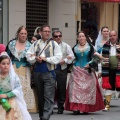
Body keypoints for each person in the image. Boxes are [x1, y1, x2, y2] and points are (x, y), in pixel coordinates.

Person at [26, 24, 62, 120]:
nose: (47, 33)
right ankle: (42, 116)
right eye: (45, 31)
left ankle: (45, 117)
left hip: (49, 72)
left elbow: (58, 57)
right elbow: (28, 55)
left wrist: (46, 59)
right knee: (40, 96)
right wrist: (35, 58)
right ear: (40, 32)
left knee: (48, 96)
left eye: (48, 31)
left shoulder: (54, 44)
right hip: (37, 73)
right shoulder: (35, 43)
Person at [65, 31, 104, 115]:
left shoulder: (91, 47)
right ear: (77, 38)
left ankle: (86, 107)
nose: (81, 38)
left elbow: (97, 58)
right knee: (75, 89)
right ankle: (76, 108)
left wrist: (90, 64)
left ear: (85, 37)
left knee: (86, 90)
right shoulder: (74, 48)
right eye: (79, 36)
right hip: (76, 70)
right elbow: (72, 58)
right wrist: (68, 58)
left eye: (83, 36)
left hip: (87, 71)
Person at [6, 26, 37, 112]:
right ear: (18, 34)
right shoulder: (12, 44)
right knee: (12, 86)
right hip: (13, 68)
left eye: (25, 34)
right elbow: (7, 56)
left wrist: (31, 60)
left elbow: (32, 60)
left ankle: (23, 106)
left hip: (25, 68)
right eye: (21, 33)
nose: (23, 35)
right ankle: (13, 105)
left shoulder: (30, 45)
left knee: (24, 87)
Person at [0, 52, 32, 120]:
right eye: (3, 64)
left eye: (8, 64)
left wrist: (7, 95)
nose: (6, 65)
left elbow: (18, 89)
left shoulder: (13, 77)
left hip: (11, 101)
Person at [52, 30, 75, 114]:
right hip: (51, 69)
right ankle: (50, 107)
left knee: (61, 88)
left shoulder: (66, 46)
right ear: (52, 37)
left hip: (62, 69)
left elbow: (72, 56)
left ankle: (60, 106)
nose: (58, 37)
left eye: (60, 36)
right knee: (51, 88)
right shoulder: (50, 45)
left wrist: (65, 60)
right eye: (56, 36)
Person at [99, 30, 120, 111]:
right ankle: (107, 105)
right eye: (111, 35)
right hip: (109, 69)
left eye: (114, 35)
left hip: (119, 70)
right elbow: (101, 59)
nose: (112, 37)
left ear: (117, 36)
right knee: (109, 87)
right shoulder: (105, 46)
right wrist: (100, 71)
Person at [94, 26, 110, 102]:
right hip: (99, 63)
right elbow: (95, 52)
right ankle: (101, 97)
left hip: (109, 62)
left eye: (107, 31)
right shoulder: (98, 42)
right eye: (104, 31)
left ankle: (106, 97)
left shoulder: (111, 41)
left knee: (107, 80)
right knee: (100, 80)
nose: (106, 32)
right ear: (101, 32)